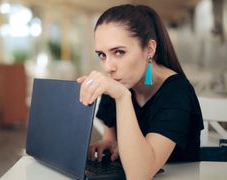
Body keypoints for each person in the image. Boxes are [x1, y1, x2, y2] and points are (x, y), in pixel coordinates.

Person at [77, 4, 204, 179]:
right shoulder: (118, 81)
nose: (108, 67)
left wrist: (122, 97)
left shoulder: (177, 93)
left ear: (149, 50)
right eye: (102, 55)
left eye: (119, 52)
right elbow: (113, 140)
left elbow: (139, 174)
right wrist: (110, 144)